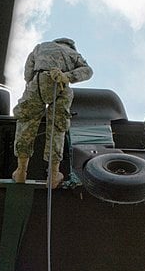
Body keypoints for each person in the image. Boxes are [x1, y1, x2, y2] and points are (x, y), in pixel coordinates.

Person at [12, 37, 93, 189]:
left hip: (38, 80)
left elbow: (28, 72)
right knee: (57, 128)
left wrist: (35, 85)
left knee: (26, 122)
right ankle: (54, 174)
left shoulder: (40, 47)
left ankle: (21, 170)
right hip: (61, 84)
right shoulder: (72, 53)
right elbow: (88, 71)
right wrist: (67, 76)